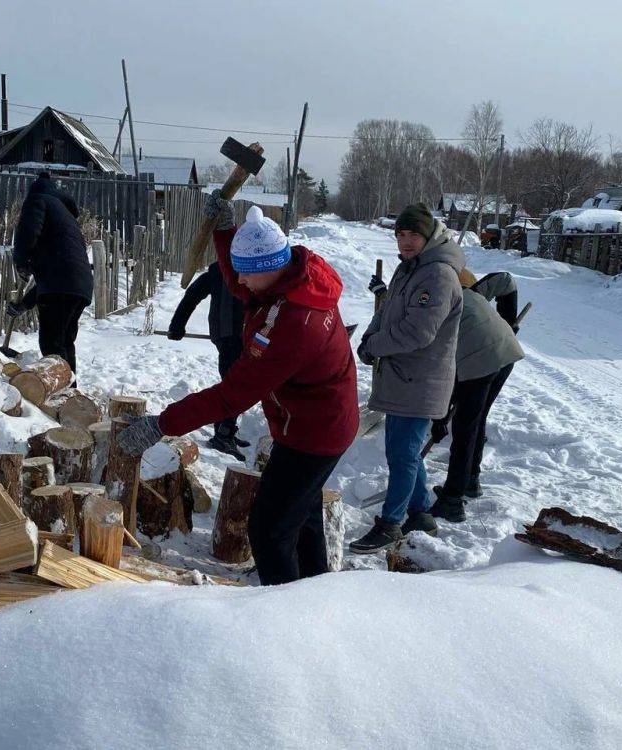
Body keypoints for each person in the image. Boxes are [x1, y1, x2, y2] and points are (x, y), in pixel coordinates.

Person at [116, 195, 358, 585]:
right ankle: (315, 592)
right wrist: (225, 232)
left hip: (315, 432)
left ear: (269, 266)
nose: (238, 280)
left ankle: (285, 609)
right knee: (304, 515)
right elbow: (241, 281)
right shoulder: (293, 280)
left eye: (248, 271)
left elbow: (231, 396)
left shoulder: (295, 325)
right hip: (313, 419)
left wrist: (162, 423)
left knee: (270, 530)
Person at [349, 203, 463, 554]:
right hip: (403, 379)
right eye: (400, 234)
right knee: (405, 453)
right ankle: (420, 513)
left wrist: (378, 346)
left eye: (413, 234)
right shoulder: (410, 269)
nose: (406, 241)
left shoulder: (438, 275)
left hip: (420, 382)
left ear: (428, 235)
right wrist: (369, 339)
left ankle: (391, 523)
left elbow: (418, 332)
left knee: (402, 454)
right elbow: (386, 313)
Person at [429, 270, 523, 522]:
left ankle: (452, 500)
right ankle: (470, 480)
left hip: (480, 359)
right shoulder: (470, 291)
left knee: (464, 427)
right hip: (505, 351)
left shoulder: (431, 311)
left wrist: (439, 415)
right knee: (475, 418)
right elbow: (506, 279)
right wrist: (509, 321)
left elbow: (441, 372)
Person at [10, 172, 93, 379]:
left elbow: (27, 233)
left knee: (52, 343)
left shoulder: (38, 200)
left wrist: (21, 260)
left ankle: (60, 395)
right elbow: (58, 272)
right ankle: (70, 394)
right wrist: (24, 305)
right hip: (79, 286)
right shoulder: (65, 217)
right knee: (64, 341)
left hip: (61, 284)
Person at [166, 260, 249, 460]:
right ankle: (223, 434)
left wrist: (177, 325)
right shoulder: (221, 270)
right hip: (230, 335)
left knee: (235, 383)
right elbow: (192, 295)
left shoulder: (233, 268)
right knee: (237, 386)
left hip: (236, 335)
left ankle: (225, 427)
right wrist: (177, 326)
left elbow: (192, 295)